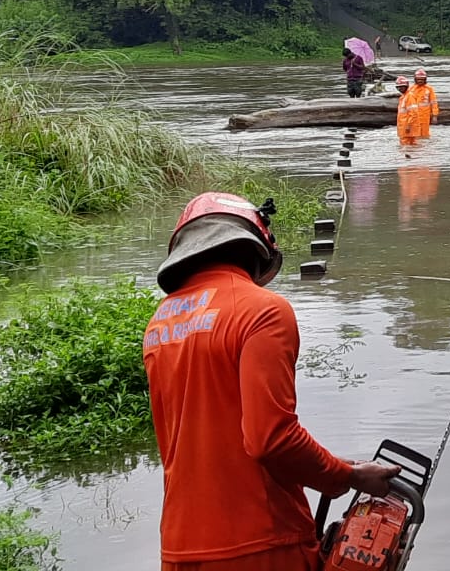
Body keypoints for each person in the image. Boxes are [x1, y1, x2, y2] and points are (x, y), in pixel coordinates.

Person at [142, 193, 401, 571]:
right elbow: (270, 439)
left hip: (181, 548)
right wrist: (345, 477)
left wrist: (329, 463)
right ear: (256, 248)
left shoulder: (160, 323)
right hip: (261, 544)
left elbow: (211, 437)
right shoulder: (262, 310)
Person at [408, 68, 439, 138]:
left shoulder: (429, 89)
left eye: (422, 79)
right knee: (414, 134)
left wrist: (435, 116)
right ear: (415, 79)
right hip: (413, 116)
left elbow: (434, 102)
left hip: (425, 116)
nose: (420, 81)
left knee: (425, 135)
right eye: (418, 79)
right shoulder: (411, 89)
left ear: (425, 80)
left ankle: (424, 147)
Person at [394, 75, 419, 146]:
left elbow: (413, 113)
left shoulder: (409, 96)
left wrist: (408, 125)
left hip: (406, 126)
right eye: (398, 87)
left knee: (405, 145)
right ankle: (417, 156)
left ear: (406, 86)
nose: (399, 88)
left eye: (402, 86)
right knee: (412, 145)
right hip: (404, 126)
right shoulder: (403, 97)